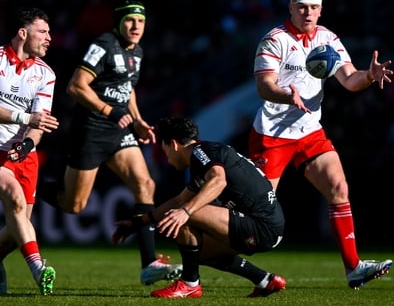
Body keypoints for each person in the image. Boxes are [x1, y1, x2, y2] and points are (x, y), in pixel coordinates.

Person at [249, 0, 394, 289]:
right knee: (256, 215)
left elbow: (350, 80)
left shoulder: (327, 39)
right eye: (301, 6)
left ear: (321, 9)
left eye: (314, 7)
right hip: (271, 136)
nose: (308, 13)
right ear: (290, 7)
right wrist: (288, 96)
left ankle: (354, 268)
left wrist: (369, 75)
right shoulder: (274, 40)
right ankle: (200, 256)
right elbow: (264, 86)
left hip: (310, 131)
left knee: (339, 188)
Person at [38, 0, 182, 285]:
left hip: (119, 130)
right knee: (74, 204)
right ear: (118, 23)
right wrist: (109, 111)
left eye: (140, 22)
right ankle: (28, 183)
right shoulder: (103, 44)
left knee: (146, 184)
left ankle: (149, 264)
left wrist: (138, 120)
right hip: (91, 129)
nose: (136, 26)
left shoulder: (137, 51)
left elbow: (127, 89)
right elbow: (75, 86)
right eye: (130, 20)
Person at [113, 116, 286, 298]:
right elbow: (179, 200)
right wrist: (137, 223)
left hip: (262, 227)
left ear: (173, 144)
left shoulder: (200, 153)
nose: (168, 160)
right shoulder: (203, 157)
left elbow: (218, 180)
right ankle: (265, 280)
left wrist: (186, 212)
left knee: (186, 214)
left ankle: (189, 284)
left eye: (165, 151)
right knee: (199, 253)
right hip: (266, 227)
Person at [0, 7, 59, 296]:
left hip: (23, 154)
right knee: (15, 201)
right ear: (23, 33)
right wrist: (25, 119)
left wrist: (29, 142)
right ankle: (38, 268)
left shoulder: (46, 74)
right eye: (42, 32)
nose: (49, 38)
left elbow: (39, 123)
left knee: (18, 221)